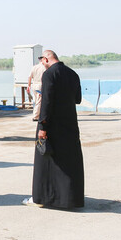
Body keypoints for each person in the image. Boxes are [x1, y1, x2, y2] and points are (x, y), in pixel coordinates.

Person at [24, 50, 84, 209]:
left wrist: (42, 126)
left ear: (45, 59)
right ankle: (71, 198)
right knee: (70, 160)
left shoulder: (49, 74)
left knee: (46, 160)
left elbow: (47, 102)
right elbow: (78, 99)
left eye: (42, 61)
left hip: (52, 124)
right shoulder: (73, 74)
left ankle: (41, 197)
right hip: (70, 122)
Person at [27, 56, 46, 121]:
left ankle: (37, 114)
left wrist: (28, 86)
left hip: (34, 85)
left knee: (36, 100)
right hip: (40, 85)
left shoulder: (34, 67)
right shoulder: (44, 68)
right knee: (39, 101)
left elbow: (29, 77)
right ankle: (36, 116)